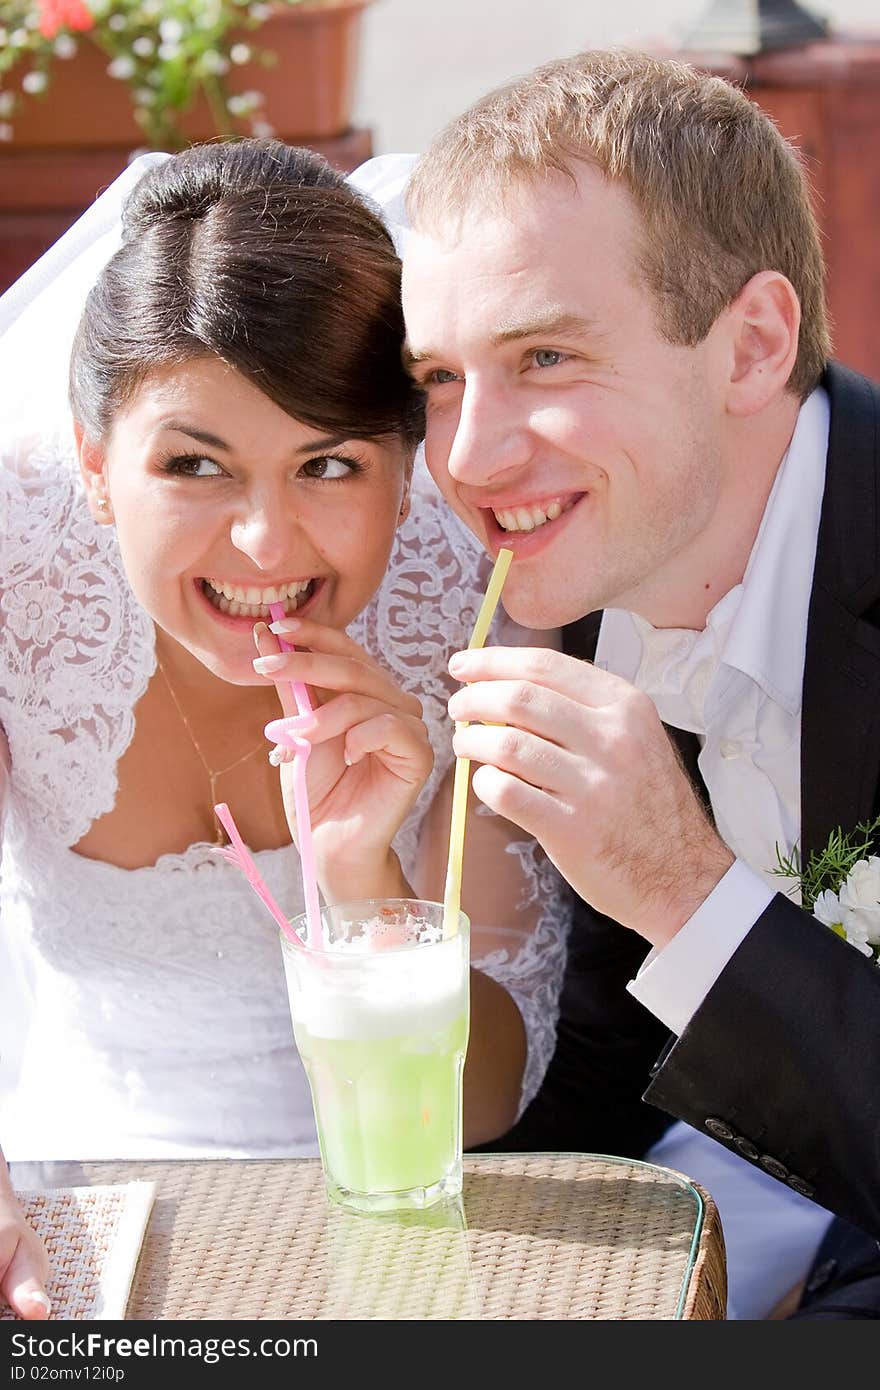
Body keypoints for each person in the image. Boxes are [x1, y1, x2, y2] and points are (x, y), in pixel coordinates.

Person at [0, 140, 569, 1319]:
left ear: (406, 469)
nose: (267, 545)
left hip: (397, 1233)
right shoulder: (18, 564)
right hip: (71, 1220)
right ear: (99, 465)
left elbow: (490, 1098)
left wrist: (359, 874)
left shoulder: (477, 595)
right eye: (195, 464)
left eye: (327, 464)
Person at [392, 49, 880, 1319]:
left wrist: (682, 886)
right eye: (438, 379)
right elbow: (618, 1052)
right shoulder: (581, 590)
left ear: (750, 345)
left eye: (545, 357)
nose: (469, 457)